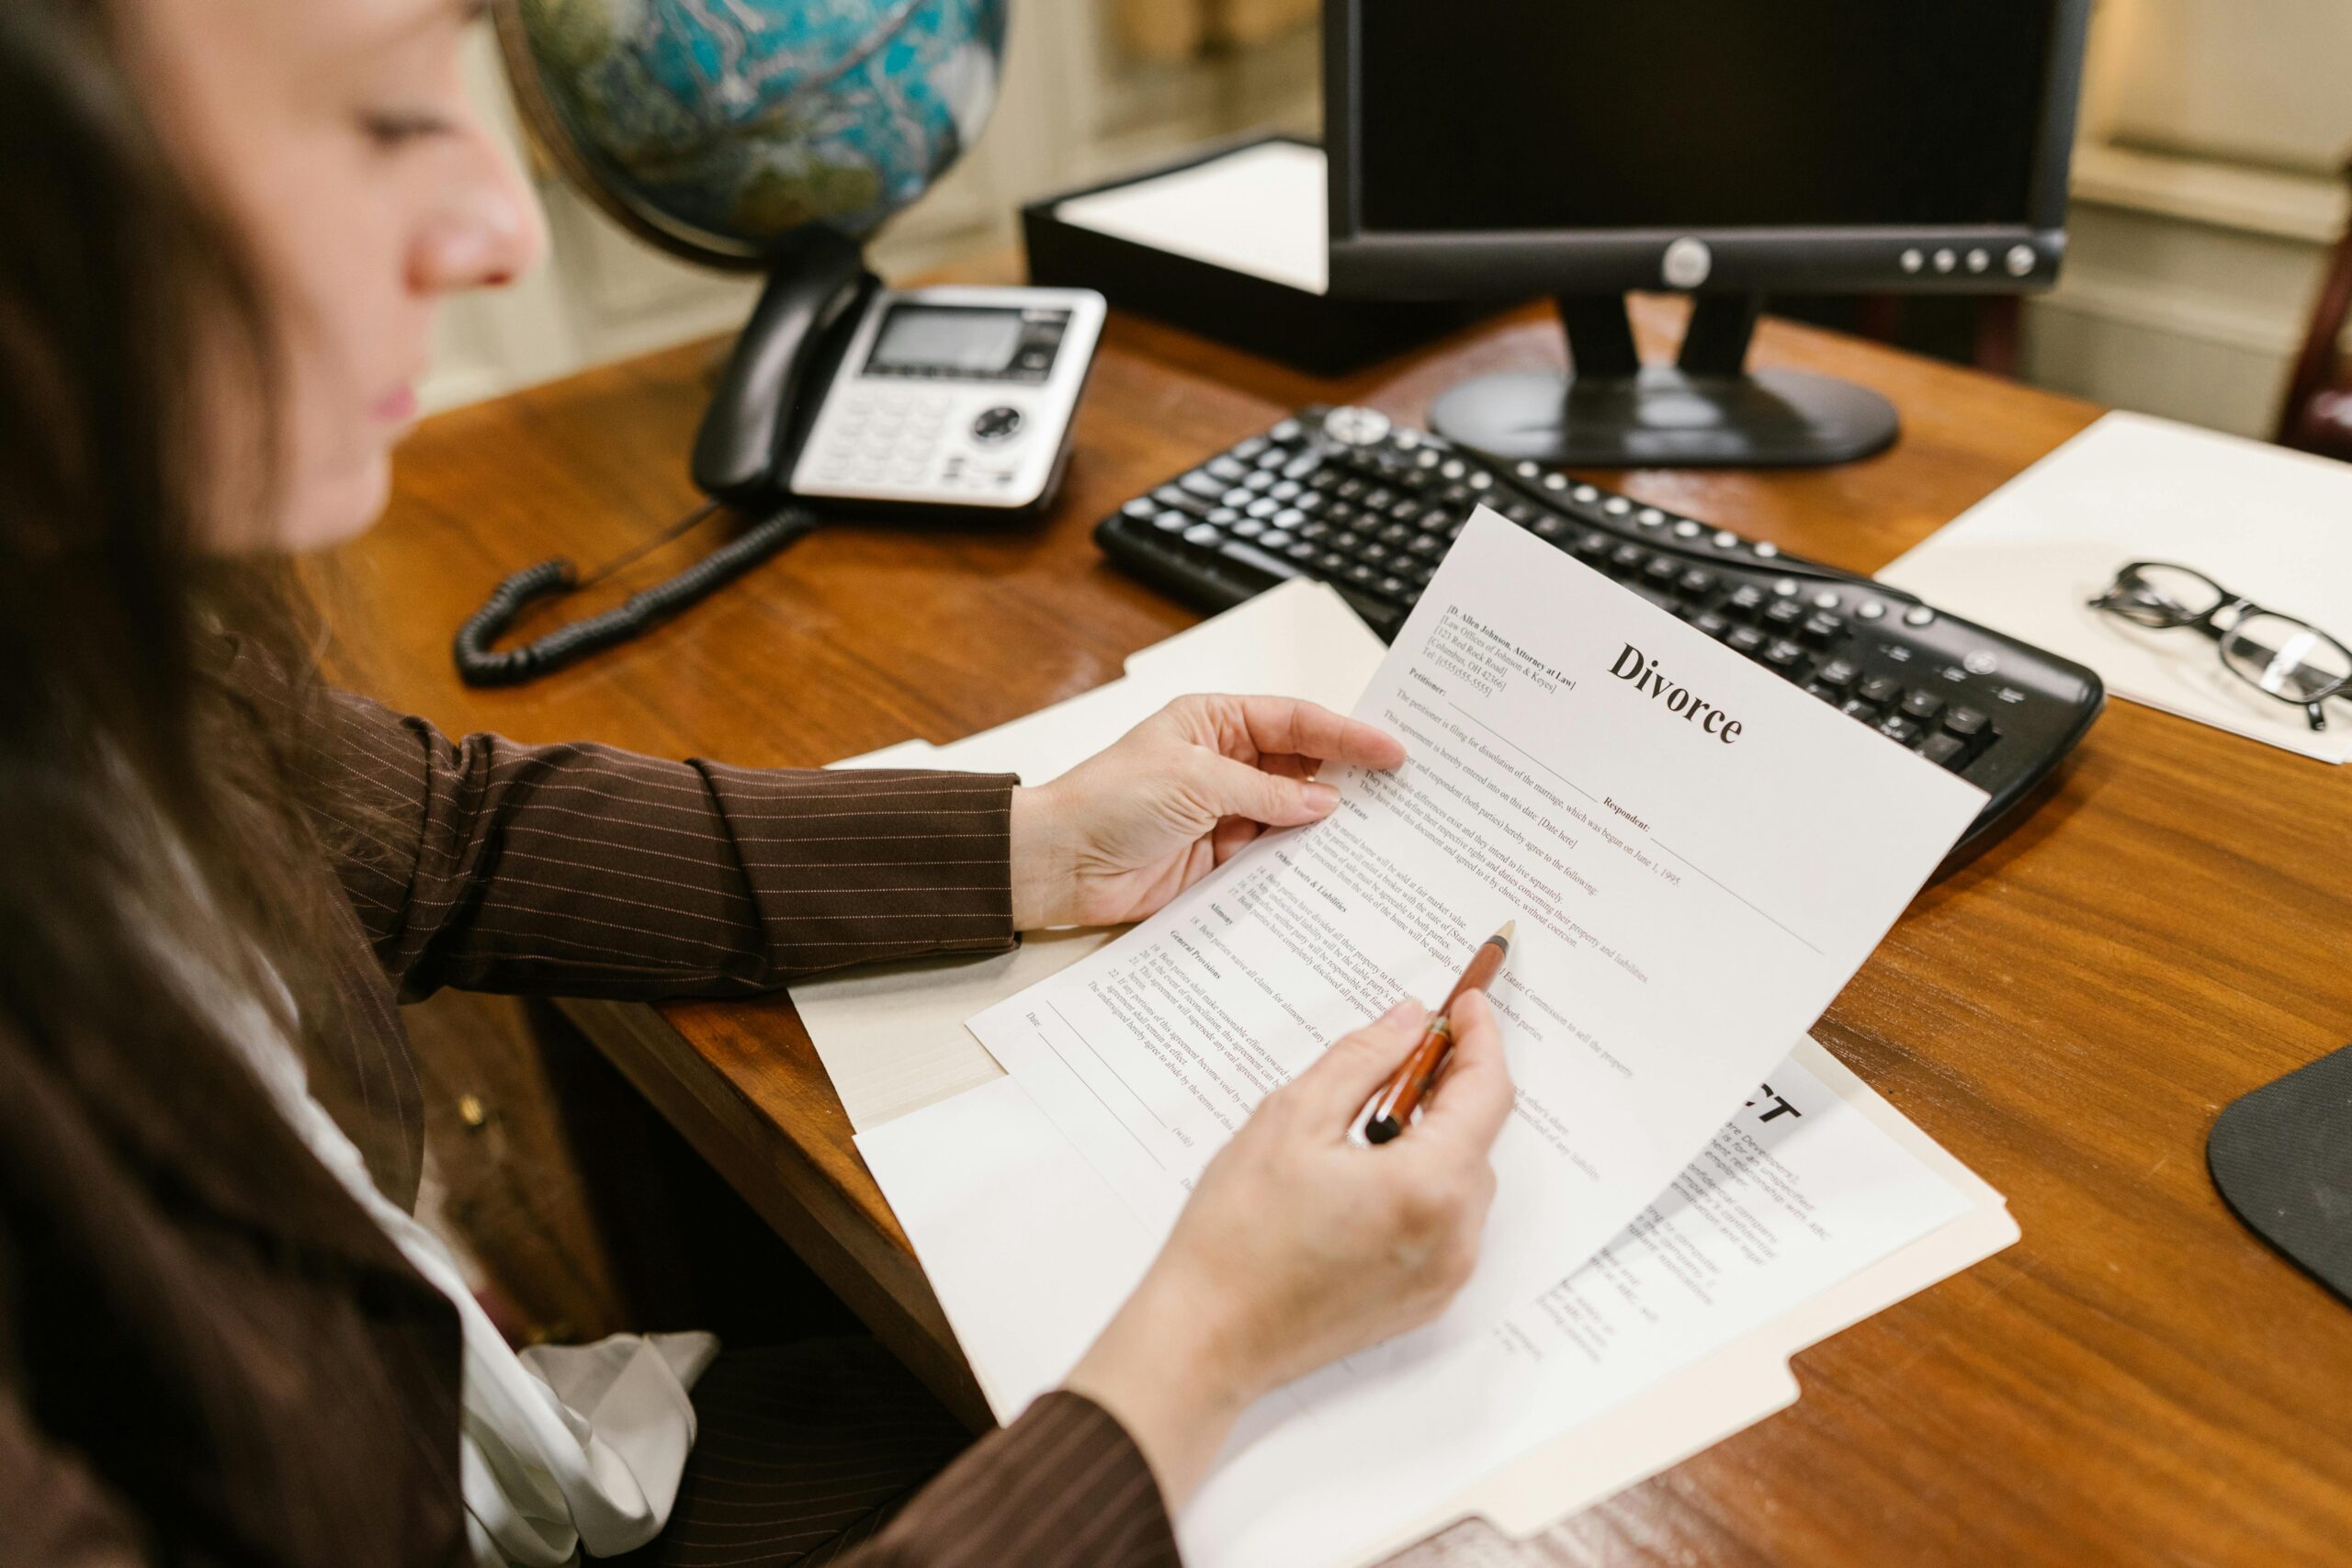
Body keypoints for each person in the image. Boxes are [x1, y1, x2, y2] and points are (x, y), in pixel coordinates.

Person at [0, 1, 1517, 1563]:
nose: (509, 234)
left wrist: (1032, 847)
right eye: (381, 118)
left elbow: (437, 831)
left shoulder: (76, 653)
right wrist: (1203, 1346)